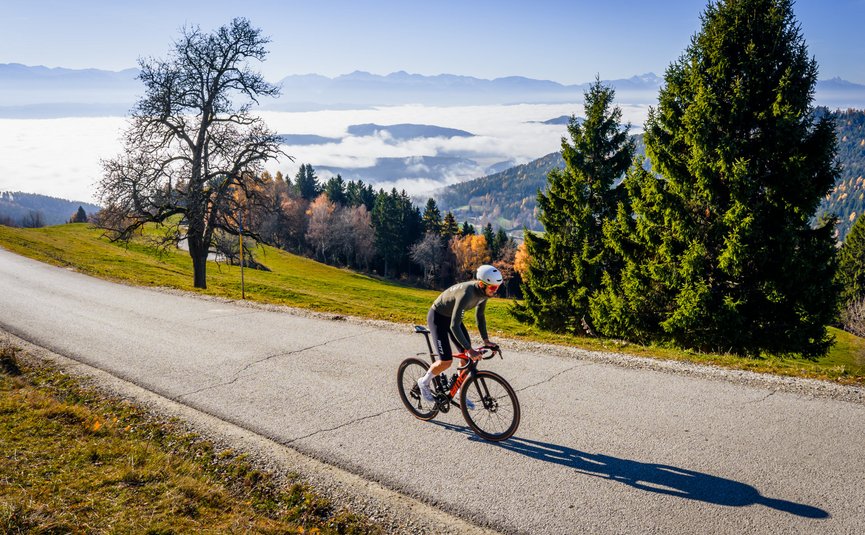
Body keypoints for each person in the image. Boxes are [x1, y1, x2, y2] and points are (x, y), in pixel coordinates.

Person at [417, 264, 503, 408]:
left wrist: (486, 340)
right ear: (482, 284)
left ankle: (458, 390)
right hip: (438, 317)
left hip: (453, 318)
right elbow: (453, 326)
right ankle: (424, 382)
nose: (495, 291)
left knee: (465, 357)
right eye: (493, 288)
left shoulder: (484, 293)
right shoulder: (467, 293)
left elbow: (480, 316)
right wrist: (469, 349)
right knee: (446, 361)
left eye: (497, 287)